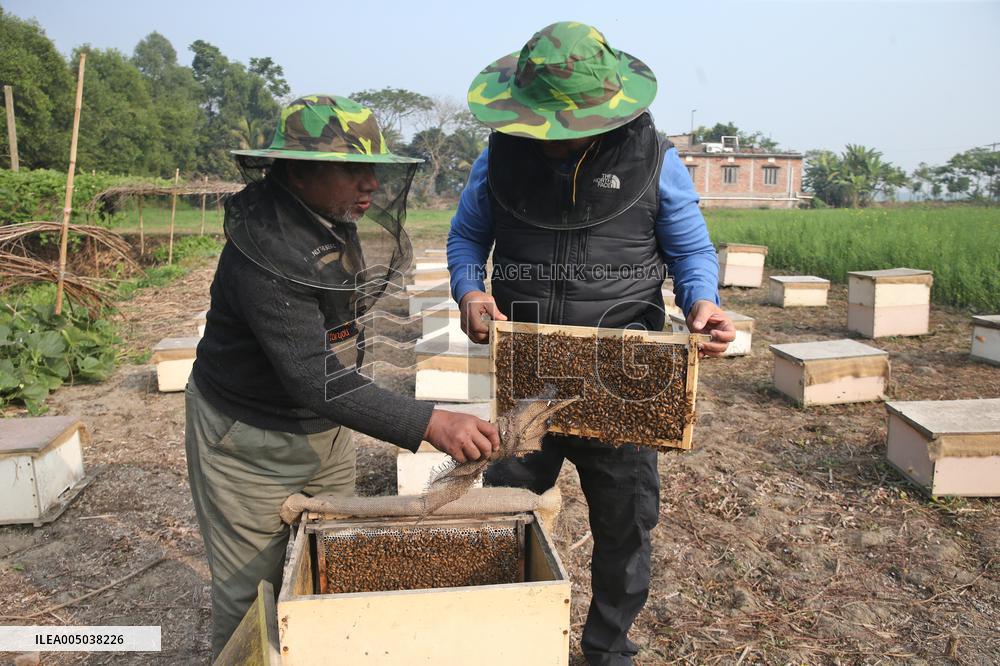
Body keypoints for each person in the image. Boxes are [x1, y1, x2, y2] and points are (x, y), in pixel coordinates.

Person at [448, 23, 735, 665]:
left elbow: (690, 249)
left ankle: (608, 651)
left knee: (624, 529)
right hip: (528, 379)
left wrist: (701, 302)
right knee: (505, 515)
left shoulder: (655, 157)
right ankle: (509, 640)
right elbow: (466, 238)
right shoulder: (497, 156)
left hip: (626, 380)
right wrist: (468, 290)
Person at [185, 94, 500, 657]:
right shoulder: (264, 254)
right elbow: (312, 377)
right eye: (353, 170)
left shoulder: (327, 219)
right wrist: (430, 421)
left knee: (330, 564)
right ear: (300, 172)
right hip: (246, 440)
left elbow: (327, 373)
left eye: (374, 171)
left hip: (325, 432)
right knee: (251, 597)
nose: (371, 186)